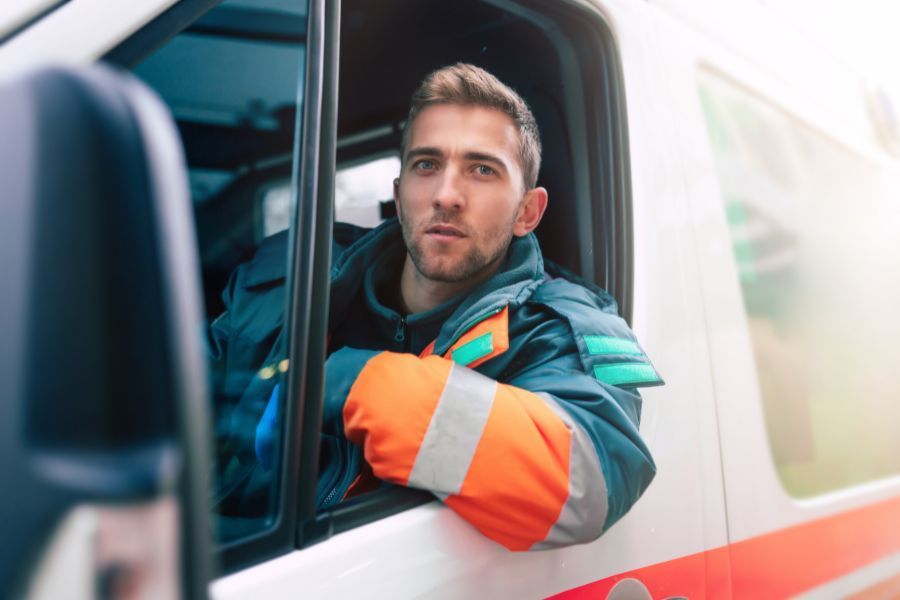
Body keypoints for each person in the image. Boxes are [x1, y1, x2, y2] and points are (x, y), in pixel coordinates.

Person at [210, 63, 661, 550]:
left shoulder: (557, 331)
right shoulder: (286, 277)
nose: (447, 195)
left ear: (527, 212)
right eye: (426, 165)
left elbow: (589, 480)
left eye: (482, 169)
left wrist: (357, 384)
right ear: (400, 197)